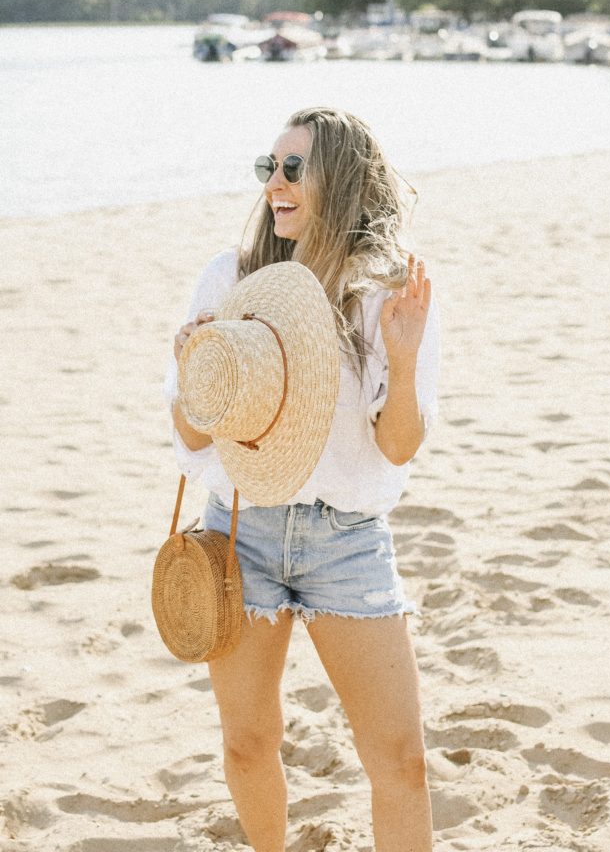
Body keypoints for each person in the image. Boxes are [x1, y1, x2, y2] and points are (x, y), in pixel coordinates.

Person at [164, 106, 440, 852]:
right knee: (248, 743)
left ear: (340, 179)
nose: (274, 185)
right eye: (268, 168)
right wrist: (200, 373)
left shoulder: (387, 289)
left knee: (402, 762)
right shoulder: (231, 278)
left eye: (293, 169)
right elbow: (191, 433)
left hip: (346, 539)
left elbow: (399, 446)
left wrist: (405, 358)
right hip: (240, 530)